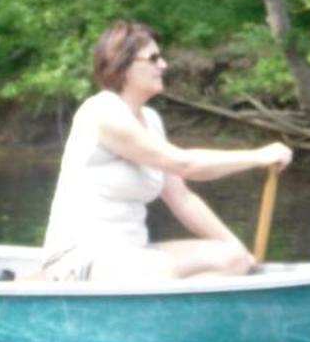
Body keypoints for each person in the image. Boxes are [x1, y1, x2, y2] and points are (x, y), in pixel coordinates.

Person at [40, 20, 291, 283]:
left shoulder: (151, 121)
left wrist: (241, 253)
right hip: (79, 261)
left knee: (231, 258)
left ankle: (181, 316)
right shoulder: (103, 112)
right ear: (122, 65)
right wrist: (257, 157)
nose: (163, 65)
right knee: (157, 272)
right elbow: (186, 165)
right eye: (153, 58)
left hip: (131, 256)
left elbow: (182, 198)